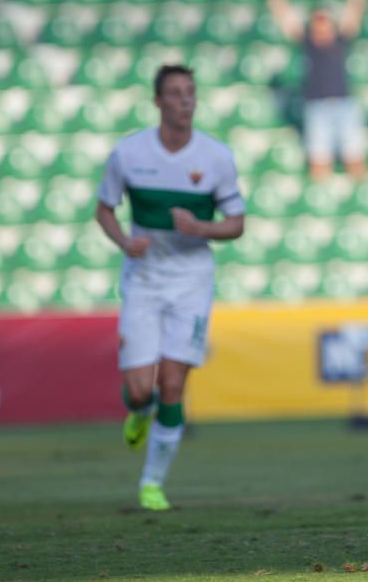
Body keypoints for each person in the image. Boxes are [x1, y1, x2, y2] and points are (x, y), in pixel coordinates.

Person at [96, 64, 246, 511]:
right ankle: (140, 411)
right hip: (143, 279)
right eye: (176, 93)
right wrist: (125, 240)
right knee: (142, 389)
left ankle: (152, 483)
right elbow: (104, 209)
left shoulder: (216, 157)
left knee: (175, 384)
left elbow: (236, 224)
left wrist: (200, 226)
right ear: (158, 101)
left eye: (191, 92)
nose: (185, 100)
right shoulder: (129, 153)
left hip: (191, 282)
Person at [267, 0, 368, 181]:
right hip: (317, 108)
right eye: (317, 24)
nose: (321, 29)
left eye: (325, 24)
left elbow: (355, 11)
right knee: (319, 165)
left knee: (356, 161)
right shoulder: (307, 44)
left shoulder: (341, 42)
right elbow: (285, 18)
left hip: (344, 105)